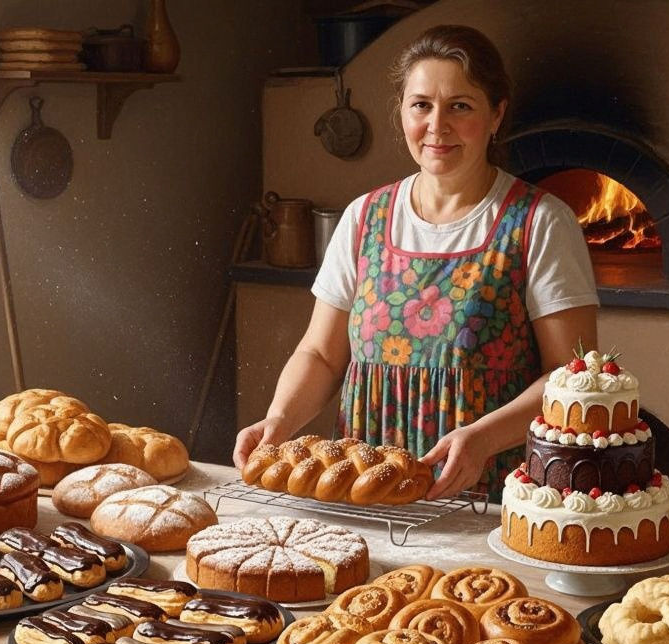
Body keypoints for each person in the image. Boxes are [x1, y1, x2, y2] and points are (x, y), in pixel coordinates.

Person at [233, 24, 599, 501]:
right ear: (402, 112)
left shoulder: (538, 223)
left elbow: (571, 374)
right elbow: (322, 354)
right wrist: (279, 420)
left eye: (460, 106)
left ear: (496, 115)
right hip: (365, 489)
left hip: (492, 492)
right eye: (421, 105)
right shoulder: (364, 217)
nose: (437, 126)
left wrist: (483, 440)